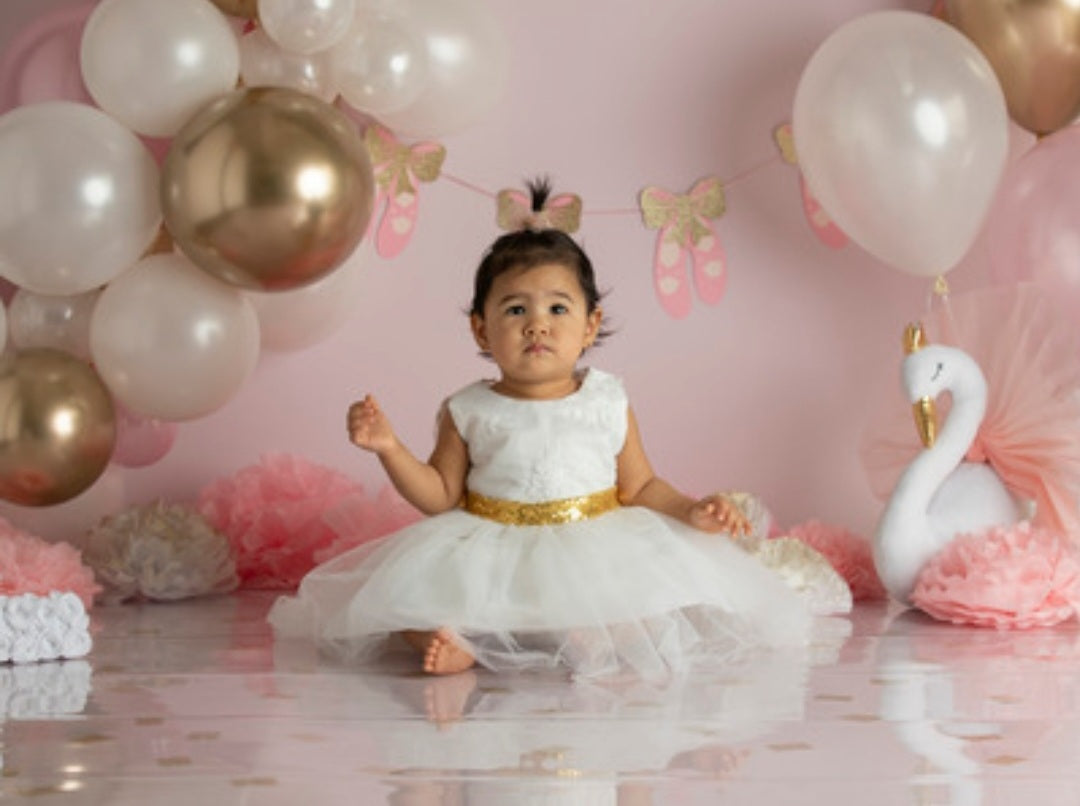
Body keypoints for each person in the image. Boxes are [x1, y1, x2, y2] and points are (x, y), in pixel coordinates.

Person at [270, 180, 846, 680]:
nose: (537, 326)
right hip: (491, 548)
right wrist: (389, 448)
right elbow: (438, 497)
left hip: (594, 540)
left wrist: (693, 511)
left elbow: (640, 486)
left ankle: (586, 635)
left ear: (591, 324)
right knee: (407, 613)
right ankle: (461, 644)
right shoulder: (468, 409)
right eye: (516, 310)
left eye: (558, 310)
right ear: (480, 329)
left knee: (642, 609)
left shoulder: (606, 399)